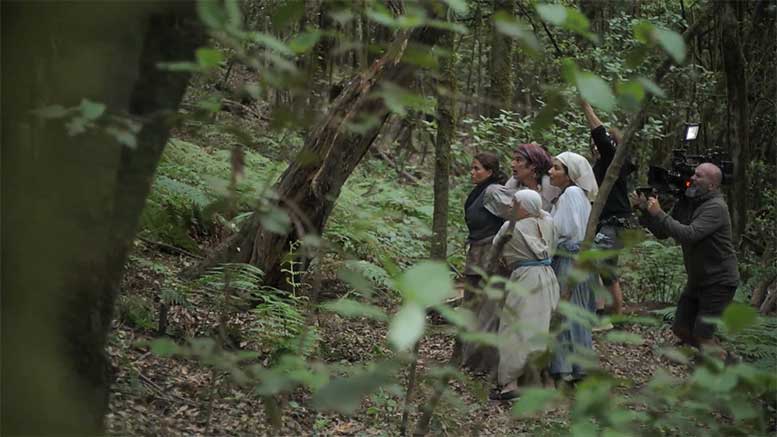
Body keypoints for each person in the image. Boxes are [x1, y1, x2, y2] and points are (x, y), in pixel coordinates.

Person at [638, 163, 739, 354]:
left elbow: (689, 234)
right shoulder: (688, 203)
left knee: (703, 335)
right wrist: (645, 210)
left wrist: (659, 213)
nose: (692, 178)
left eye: (699, 176)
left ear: (712, 186)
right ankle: (717, 358)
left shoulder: (716, 207)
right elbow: (662, 232)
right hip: (698, 280)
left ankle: (719, 369)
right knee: (681, 329)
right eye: (693, 174)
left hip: (719, 281)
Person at [489, 190, 560, 401]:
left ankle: (510, 384)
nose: (511, 207)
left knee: (513, 329)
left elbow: (496, 245)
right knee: (544, 329)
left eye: (515, 204)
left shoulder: (511, 227)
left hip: (525, 279)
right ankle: (548, 384)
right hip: (548, 277)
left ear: (524, 207)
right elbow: (548, 225)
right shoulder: (548, 222)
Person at [547, 151, 599, 384]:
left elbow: (562, 229)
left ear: (569, 175)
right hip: (578, 258)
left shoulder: (570, 194)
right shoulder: (574, 194)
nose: (551, 172)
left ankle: (567, 367)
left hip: (569, 259)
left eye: (557, 168)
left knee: (569, 310)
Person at [581, 101, 636, 315]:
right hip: (605, 223)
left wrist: (587, 109)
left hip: (615, 223)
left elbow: (601, 138)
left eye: (602, 145)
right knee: (606, 270)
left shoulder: (615, 160)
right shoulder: (601, 166)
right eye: (592, 145)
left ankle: (607, 312)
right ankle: (609, 312)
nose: (596, 147)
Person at [458, 152, 510, 373]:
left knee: (487, 310)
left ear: (490, 172)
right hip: (477, 252)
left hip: (490, 253)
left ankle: (485, 363)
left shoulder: (493, 191)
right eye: (472, 168)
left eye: (477, 168)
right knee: (473, 306)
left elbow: (516, 214)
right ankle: (470, 359)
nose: (473, 172)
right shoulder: (481, 191)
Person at [508, 143, 561, 212]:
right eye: (513, 160)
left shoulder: (549, 184)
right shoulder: (514, 182)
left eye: (518, 160)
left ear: (533, 165)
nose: (512, 164)